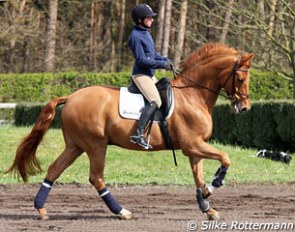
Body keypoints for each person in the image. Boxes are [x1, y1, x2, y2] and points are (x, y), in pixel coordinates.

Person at [128, 3, 175, 149]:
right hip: (141, 75)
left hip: (149, 74)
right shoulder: (135, 36)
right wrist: (161, 65)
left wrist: (165, 60)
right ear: (140, 19)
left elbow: (152, 54)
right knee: (156, 101)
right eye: (149, 17)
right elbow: (141, 60)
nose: (152, 20)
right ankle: (139, 133)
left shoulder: (146, 33)